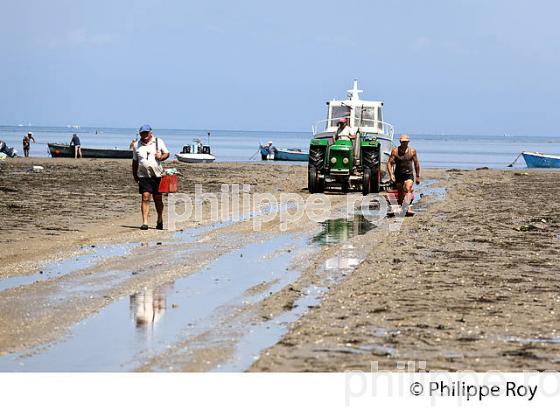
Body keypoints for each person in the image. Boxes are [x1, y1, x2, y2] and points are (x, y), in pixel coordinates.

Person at [132, 124, 170, 230]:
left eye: (146, 133)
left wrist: (161, 157)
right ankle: (145, 222)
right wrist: (135, 174)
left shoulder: (158, 141)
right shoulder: (136, 145)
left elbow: (167, 153)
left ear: (150, 133)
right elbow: (135, 161)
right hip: (143, 175)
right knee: (145, 196)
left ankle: (159, 219)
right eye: (142, 133)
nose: (144, 135)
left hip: (157, 175)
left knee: (158, 198)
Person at [387, 134, 421, 216]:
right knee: (400, 191)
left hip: (409, 174)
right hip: (398, 174)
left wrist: (417, 176)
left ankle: (407, 206)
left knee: (408, 188)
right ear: (400, 142)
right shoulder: (395, 151)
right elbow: (389, 163)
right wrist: (391, 174)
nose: (404, 143)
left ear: (408, 142)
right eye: (402, 142)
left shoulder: (412, 151)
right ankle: (400, 206)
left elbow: (416, 164)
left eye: (405, 142)